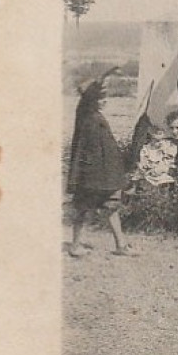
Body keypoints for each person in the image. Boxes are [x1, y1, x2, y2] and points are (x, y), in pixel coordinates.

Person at [67, 76, 135, 257]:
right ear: (92, 100)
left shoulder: (93, 116)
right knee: (83, 208)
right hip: (91, 173)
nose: (105, 102)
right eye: (101, 99)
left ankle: (121, 244)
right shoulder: (88, 117)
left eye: (106, 98)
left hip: (103, 172)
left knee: (112, 206)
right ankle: (74, 245)